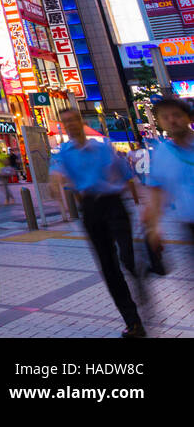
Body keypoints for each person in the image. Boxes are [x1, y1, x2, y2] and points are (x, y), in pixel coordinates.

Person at [51, 107, 145, 337]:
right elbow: (56, 176)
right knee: (109, 267)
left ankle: (137, 269)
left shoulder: (103, 148)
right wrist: (56, 189)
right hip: (92, 209)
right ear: (63, 126)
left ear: (81, 122)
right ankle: (133, 322)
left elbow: (126, 175)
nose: (71, 124)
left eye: (74, 119)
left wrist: (137, 203)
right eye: (66, 122)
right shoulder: (63, 153)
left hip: (114, 204)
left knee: (127, 257)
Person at [142, 97, 194, 279]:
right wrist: (154, 227)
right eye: (165, 117)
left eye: (176, 115)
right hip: (189, 224)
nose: (171, 120)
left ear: (189, 118)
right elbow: (156, 190)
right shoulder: (162, 153)